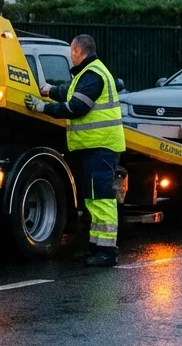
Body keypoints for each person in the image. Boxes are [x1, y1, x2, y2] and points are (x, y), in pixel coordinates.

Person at [24, 34, 125, 267]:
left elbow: (76, 107)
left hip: (100, 146)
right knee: (93, 199)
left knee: (100, 199)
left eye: (72, 51)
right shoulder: (87, 74)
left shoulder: (93, 75)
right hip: (95, 146)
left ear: (79, 51)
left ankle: (107, 252)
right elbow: (68, 92)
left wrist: (43, 107)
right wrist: (48, 90)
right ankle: (98, 248)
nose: (71, 55)